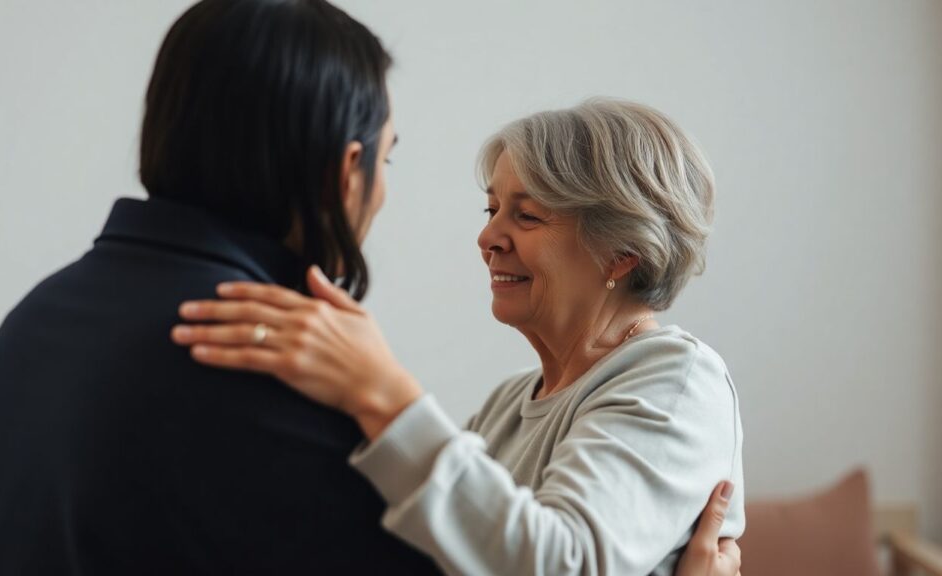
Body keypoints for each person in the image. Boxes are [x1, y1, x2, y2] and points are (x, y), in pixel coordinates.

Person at [0, 0, 437, 573]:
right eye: (386, 162)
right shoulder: (263, 363)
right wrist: (398, 402)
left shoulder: (35, 320)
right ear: (343, 173)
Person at [172, 98, 746, 575]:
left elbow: (560, 565)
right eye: (492, 208)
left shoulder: (676, 378)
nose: (488, 237)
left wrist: (385, 395)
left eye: (527, 216)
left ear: (623, 253)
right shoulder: (505, 407)